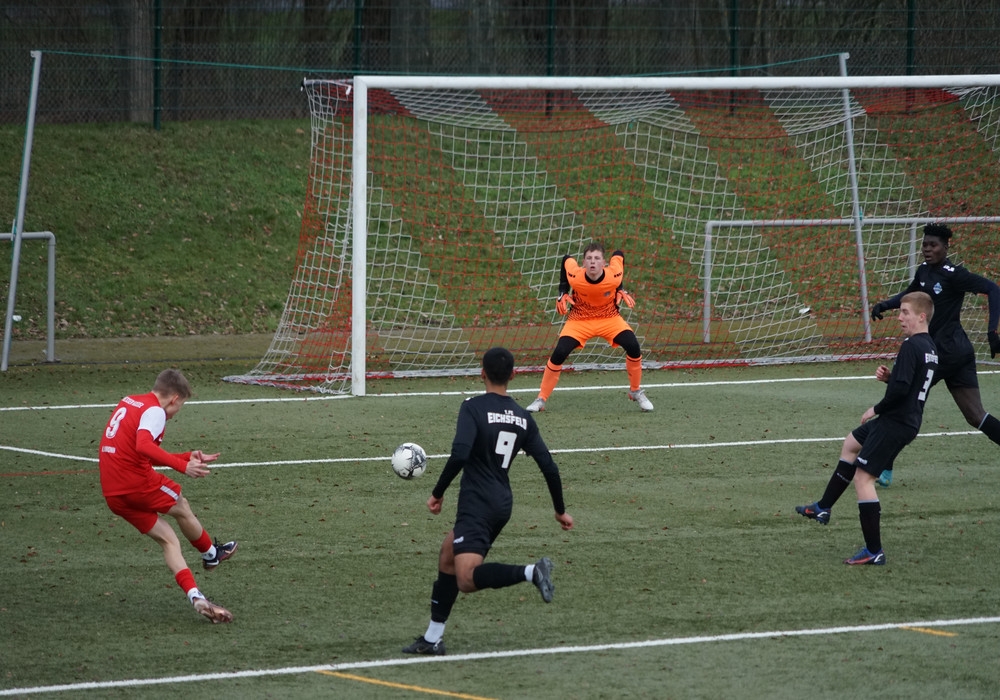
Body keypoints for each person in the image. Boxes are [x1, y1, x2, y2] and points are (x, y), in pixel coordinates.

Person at [403, 347, 574, 656]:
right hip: (501, 502)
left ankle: (532, 572)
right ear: (513, 375)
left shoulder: (473, 407)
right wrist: (560, 510)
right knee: (448, 554)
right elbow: (549, 466)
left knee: (467, 578)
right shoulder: (523, 418)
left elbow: (460, 454)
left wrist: (437, 493)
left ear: (482, 373)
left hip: (478, 503)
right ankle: (432, 638)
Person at [795, 292, 938, 565]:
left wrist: (876, 408)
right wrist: (891, 378)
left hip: (895, 422)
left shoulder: (911, 345)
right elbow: (910, 383)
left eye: (905, 312)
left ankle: (874, 551)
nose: (899, 317)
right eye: (899, 311)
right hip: (903, 419)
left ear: (921, 316)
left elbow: (901, 391)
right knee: (851, 443)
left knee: (864, 479)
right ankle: (823, 508)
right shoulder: (930, 347)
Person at [99, 368, 238, 623]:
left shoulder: (130, 402)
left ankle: (196, 596)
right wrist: (183, 467)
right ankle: (211, 554)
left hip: (113, 492)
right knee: (180, 504)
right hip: (135, 482)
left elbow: (138, 450)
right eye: (179, 406)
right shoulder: (155, 411)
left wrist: (185, 456)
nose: (175, 414)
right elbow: (144, 446)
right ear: (174, 398)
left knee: (169, 540)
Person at [869, 223, 1000, 487]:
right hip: (958, 353)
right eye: (925, 244)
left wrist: (992, 331)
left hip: (944, 353)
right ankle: (885, 467)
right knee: (975, 415)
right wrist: (886, 304)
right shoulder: (924, 271)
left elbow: (993, 289)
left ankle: (884, 468)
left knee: (903, 403)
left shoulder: (955, 275)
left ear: (945, 247)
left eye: (933, 245)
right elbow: (911, 295)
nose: (927, 249)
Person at [526, 242, 653, 413]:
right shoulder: (575, 275)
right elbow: (566, 259)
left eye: (597, 258)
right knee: (560, 352)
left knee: (633, 346)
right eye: (589, 258)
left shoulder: (614, 274)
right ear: (583, 262)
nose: (593, 261)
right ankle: (541, 399)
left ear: (604, 263)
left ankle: (635, 391)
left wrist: (620, 288)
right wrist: (563, 291)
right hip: (579, 320)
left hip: (609, 318)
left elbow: (618, 253)